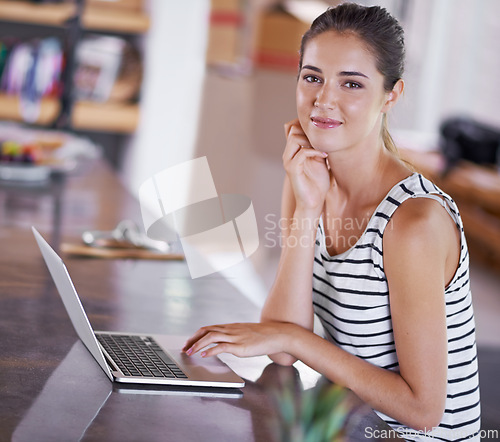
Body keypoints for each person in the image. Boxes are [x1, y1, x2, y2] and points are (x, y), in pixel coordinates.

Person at [183, 3, 480, 440]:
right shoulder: (309, 178)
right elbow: (283, 349)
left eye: (352, 83)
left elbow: (423, 410)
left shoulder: (413, 222)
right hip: (350, 426)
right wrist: (306, 207)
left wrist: (296, 342)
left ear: (391, 95)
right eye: (312, 77)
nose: (324, 99)